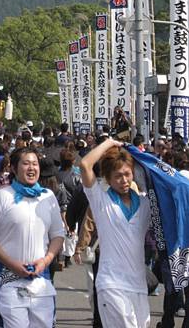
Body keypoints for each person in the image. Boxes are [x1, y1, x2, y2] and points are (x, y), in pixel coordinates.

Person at [0, 146, 65, 328]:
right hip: (10, 278)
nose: (31, 168)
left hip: (41, 279)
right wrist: (11, 264)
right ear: (13, 168)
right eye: (26, 164)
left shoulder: (48, 197)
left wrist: (46, 260)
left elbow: (58, 234)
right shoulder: (2, 196)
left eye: (35, 164)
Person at [80, 138, 151, 328]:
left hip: (138, 286)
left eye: (127, 174)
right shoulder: (100, 199)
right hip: (111, 284)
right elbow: (85, 164)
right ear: (108, 178)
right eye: (118, 176)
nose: (124, 180)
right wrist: (110, 142)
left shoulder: (145, 204)